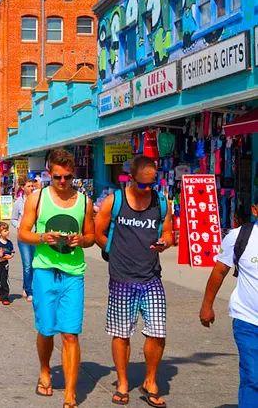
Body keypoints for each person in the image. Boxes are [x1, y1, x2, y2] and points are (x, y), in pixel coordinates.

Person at [94, 155, 174, 407]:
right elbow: (97, 231)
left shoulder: (161, 203)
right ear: (131, 179)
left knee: (158, 331)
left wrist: (166, 242)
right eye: (143, 185)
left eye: (152, 184)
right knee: (121, 333)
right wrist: (114, 251)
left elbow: (170, 232)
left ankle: (150, 380)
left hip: (151, 276)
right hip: (121, 278)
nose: (148, 189)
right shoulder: (114, 201)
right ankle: (123, 382)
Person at [17, 148, 95, 408]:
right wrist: (43, 237)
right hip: (44, 271)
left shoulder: (84, 201)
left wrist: (80, 240)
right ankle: (45, 369)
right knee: (46, 330)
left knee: (71, 334)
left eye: (68, 178)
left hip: (73, 274)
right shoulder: (37, 199)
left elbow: (91, 237)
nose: (63, 183)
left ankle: (70, 393)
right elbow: (23, 233)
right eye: (58, 177)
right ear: (49, 173)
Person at [200, 203, 258, 408]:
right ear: (255, 210)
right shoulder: (239, 236)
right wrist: (207, 306)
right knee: (253, 376)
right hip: (248, 320)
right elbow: (219, 271)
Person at [12, 178, 36, 301]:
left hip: (36, 237)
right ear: (23, 188)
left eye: (32, 186)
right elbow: (13, 219)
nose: (31, 188)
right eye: (29, 186)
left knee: (35, 264)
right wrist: (19, 227)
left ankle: (27, 286)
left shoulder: (38, 201)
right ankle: (29, 290)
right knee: (27, 264)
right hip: (23, 237)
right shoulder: (18, 202)